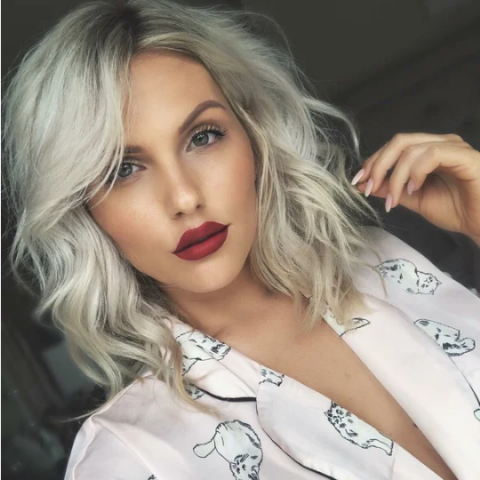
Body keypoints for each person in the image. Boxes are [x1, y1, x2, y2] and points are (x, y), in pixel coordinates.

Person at [2, 0, 479, 479]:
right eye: (123, 170)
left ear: (252, 135)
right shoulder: (129, 460)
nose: (184, 197)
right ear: (84, 208)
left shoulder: (387, 263)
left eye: (203, 137)